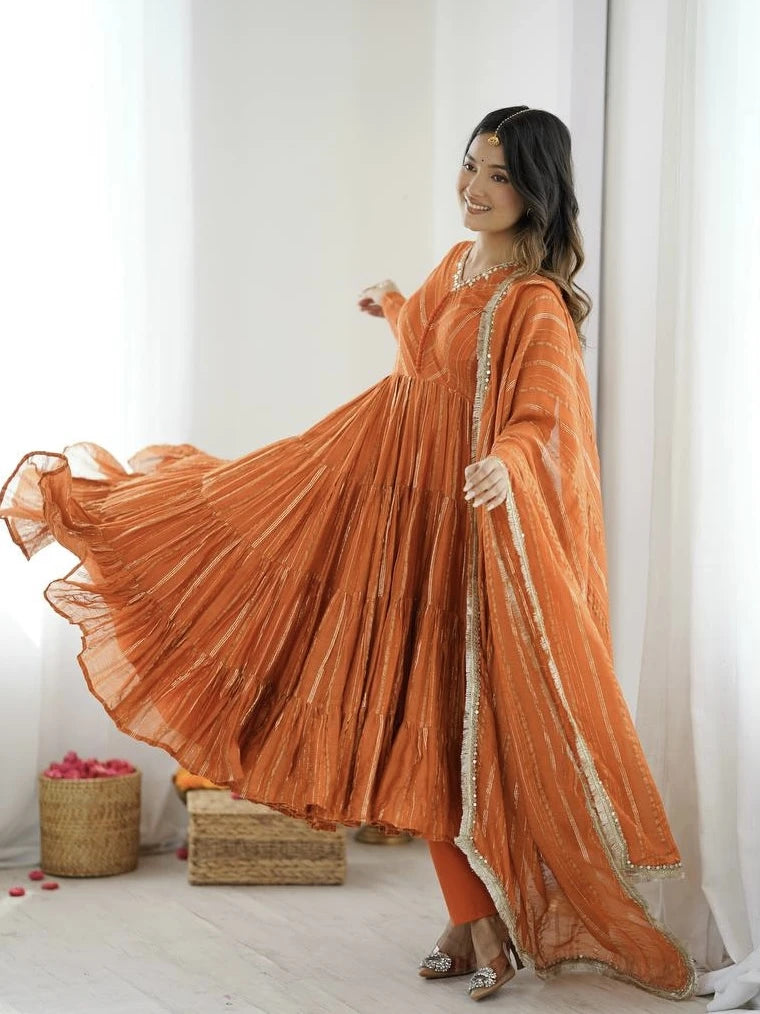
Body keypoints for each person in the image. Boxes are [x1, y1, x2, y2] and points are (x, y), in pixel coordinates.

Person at [0, 105, 696, 1003]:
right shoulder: (460, 263)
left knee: (442, 726)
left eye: (498, 176)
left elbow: (546, 416)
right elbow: (428, 364)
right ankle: (471, 922)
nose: (473, 189)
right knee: (369, 676)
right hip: (385, 491)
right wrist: (401, 305)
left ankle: (476, 923)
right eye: (470, 166)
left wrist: (505, 463)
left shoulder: (535, 305)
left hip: (460, 533)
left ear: (538, 191)